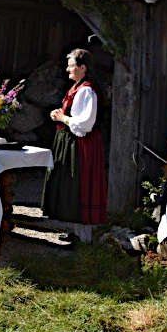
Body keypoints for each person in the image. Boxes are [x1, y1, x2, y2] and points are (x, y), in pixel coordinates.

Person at [44, 49, 107, 225]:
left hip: (80, 144)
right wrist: (60, 114)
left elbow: (84, 125)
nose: (67, 69)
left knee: (75, 183)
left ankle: (76, 227)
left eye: (71, 66)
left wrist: (62, 118)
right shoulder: (77, 87)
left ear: (83, 67)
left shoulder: (87, 91)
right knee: (67, 182)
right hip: (70, 140)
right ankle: (67, 223)